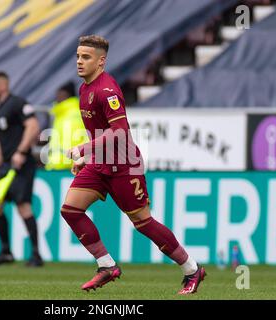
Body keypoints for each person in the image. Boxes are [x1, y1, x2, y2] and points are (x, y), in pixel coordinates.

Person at [63, 35, 206, 294]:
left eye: (86, 57)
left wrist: (82, 149)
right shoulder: (84, 88)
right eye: (78, 56)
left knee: (143, 223)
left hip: (124, 166)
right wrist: (88, 158)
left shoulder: (107, 91)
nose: (79, 62)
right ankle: (106, 266)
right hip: (100, 163)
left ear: (101, 61)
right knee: (70, 210)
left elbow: (119, 132)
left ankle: (192, 269)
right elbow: (99, 131)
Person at [0, 71, 43, 267]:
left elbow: (33, 126)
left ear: (3, 85)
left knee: (23, 206)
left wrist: (21, 151)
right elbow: (2, 142)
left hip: (22, 165)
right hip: (5, 166)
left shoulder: (17, 103)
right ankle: (6, 251)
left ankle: (36, 254)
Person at [45, 81, 87, 170]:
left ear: (66, 95)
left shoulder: (73, 114)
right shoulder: (61, 114)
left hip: (69, 167)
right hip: (58, 166)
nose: (57, 97)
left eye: (59, 94)